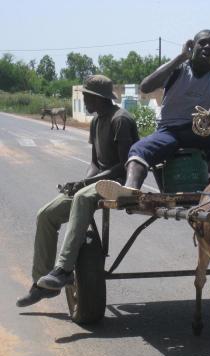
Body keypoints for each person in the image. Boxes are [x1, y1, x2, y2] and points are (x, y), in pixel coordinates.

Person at [16, 75, 139, 306]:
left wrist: (84, 187)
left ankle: (63, 269)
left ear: (98, 98)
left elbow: (124, 165)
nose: (83, 99)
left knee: (82, 197)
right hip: (99, 182)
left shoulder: (120, 119)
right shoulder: (96, 121)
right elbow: (95, 163)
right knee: (46, 214)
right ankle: (40, 284)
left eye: (86, 96)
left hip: (121, 182)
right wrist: (81, 182)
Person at [95, 29, 210, 199]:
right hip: (170, 132)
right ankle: (130, 190)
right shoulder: (177, 69)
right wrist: (180, 57)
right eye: (202, 42)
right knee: (139, 149)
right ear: (191, 46)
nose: (207, 46)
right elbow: (145, 87)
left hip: (202, 133)